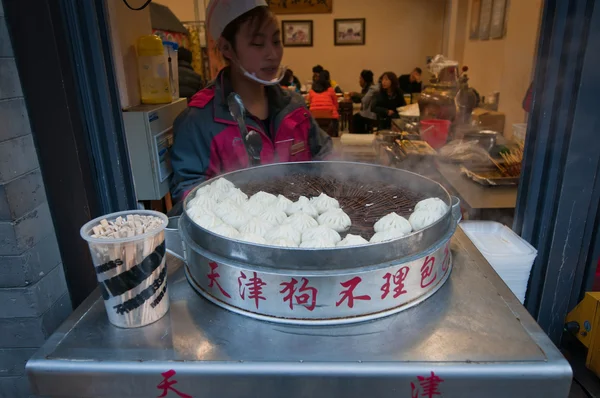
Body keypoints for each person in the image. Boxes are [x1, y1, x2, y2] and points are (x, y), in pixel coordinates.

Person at [170, 0, 332, 201]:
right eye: (258, 43)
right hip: (238, 230)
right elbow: (189, 193)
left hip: (305, 225)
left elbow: (325, 156)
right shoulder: (199, 121)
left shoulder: (294, 107)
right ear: (227, 48)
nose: (273, 54)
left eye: (276, 41)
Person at [350, 69, 378, 134]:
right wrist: (352, 97)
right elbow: (360, 100)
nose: (359, 81)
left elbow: (365, 97)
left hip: (371, 115)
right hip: (366, 113)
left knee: (356, 118)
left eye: (360, 79)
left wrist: (355, 94)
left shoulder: (371, 88)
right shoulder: (366, 88)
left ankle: (359, 135)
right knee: (356, 117)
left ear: (364, 80)